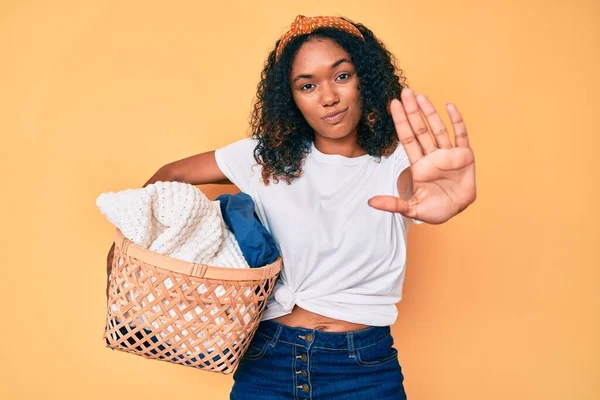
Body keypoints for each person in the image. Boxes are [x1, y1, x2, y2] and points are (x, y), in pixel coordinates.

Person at [106, 14, 476, 399]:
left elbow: (415, 187)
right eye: (307, 85)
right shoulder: (264, 157)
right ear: (291, 98)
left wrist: (437, 193)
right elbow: (171, 175)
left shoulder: (399, 162)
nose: (328, 97)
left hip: (362, 370)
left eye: (342, 76)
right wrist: (136, 249)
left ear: (367, 77)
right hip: (268, 361)